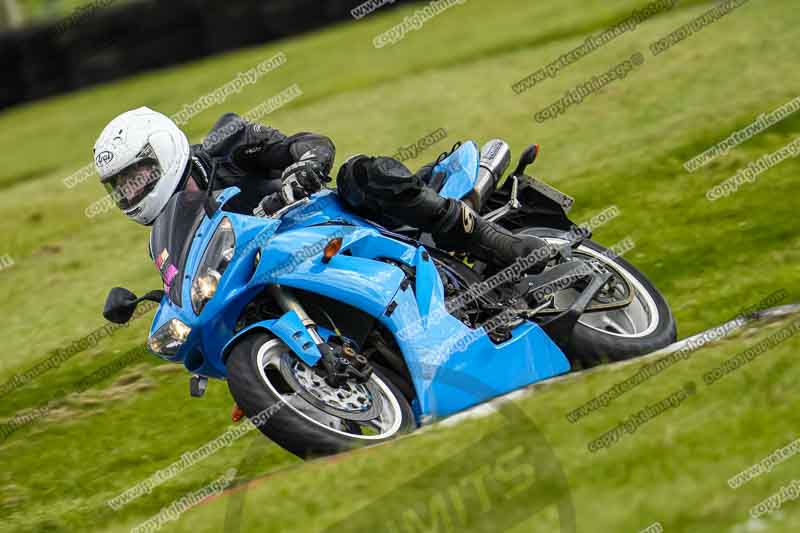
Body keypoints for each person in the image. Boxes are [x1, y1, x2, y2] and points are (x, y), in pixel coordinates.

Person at [93, 107, 550, 268]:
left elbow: (307, 144)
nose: (133, 191)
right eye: (122, 187)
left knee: (358, 173)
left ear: (163, 152)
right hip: (278, 269)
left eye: (138, 176)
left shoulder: (227, 144)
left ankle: (490, 239)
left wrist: (305, 167)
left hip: (332, 223)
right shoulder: (168, 241)